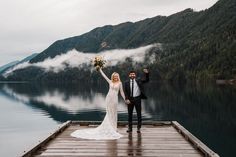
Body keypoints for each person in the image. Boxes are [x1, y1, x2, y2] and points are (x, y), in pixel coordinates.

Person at [71, 68, 126, 139]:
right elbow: (104, 76)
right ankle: (111, 127)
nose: (116, 77)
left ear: (118, 77)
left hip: (115, 99)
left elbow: (121, 92)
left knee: (114, 113)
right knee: (109, 113)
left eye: (117, 76)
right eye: (114, 76)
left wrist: (125, 99)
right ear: (113, 77)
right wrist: (100, 70)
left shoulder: (120, 83)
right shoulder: (110, 82)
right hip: (108, 98)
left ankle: (114, 128)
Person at [124, 69, 149, 133]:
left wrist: (147, 74)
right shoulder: (126, 82)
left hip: (137, 99)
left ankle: (138, 128)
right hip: (130, 100)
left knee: (139, 114)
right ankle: (130, 128)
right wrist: (126, 99)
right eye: (131, 74)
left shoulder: (139, 80)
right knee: (130, 114)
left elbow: (146, 80)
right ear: (129, 75)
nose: (132, 75)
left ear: (135, 75)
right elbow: (125, 92)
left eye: (133, 74)